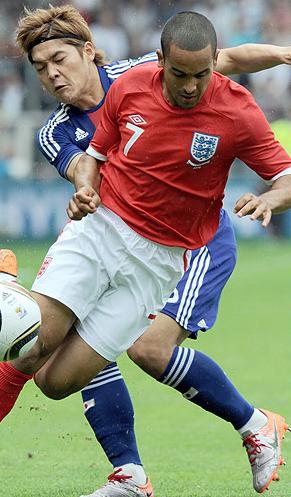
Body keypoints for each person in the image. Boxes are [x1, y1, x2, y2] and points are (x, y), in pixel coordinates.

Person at [1, 6, 291, 497]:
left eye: (60, 58)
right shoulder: (57, 129)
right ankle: (130, 475)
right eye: (40, 66)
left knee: (149, 349)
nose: (52, 73)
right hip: (104, 228)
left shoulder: (143, 74)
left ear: (88, 51)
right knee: (39, 361)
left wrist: (284, 54)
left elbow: (229, 57)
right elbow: (85, 163)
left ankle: (252, 425)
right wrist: (87, 189)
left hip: (185, 243)